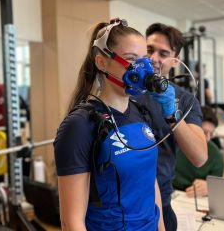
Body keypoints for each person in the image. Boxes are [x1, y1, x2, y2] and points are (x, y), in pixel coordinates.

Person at [54, 19, 165, 230]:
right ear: (101, 62)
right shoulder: (80, 125)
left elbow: (150, 182)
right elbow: (71, 222)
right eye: (131, 59)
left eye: (144, 59)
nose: (142, 69)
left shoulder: (141, 113)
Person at [134, 23, 207, 231]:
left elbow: (200, 156)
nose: (153, 58)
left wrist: (172, 114)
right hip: (120, 200)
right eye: (149, 50)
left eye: (163, 53)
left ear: (175, 61)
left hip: (161, 200)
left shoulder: (184, 100)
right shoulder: (123, 90)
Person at [173, 106, 224, 197]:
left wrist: (210, 188)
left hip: (198, 199)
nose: (207, 138)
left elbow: (218, 187)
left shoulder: (216, 155)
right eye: (204, 132)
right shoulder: (172, 147)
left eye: (211, 134)